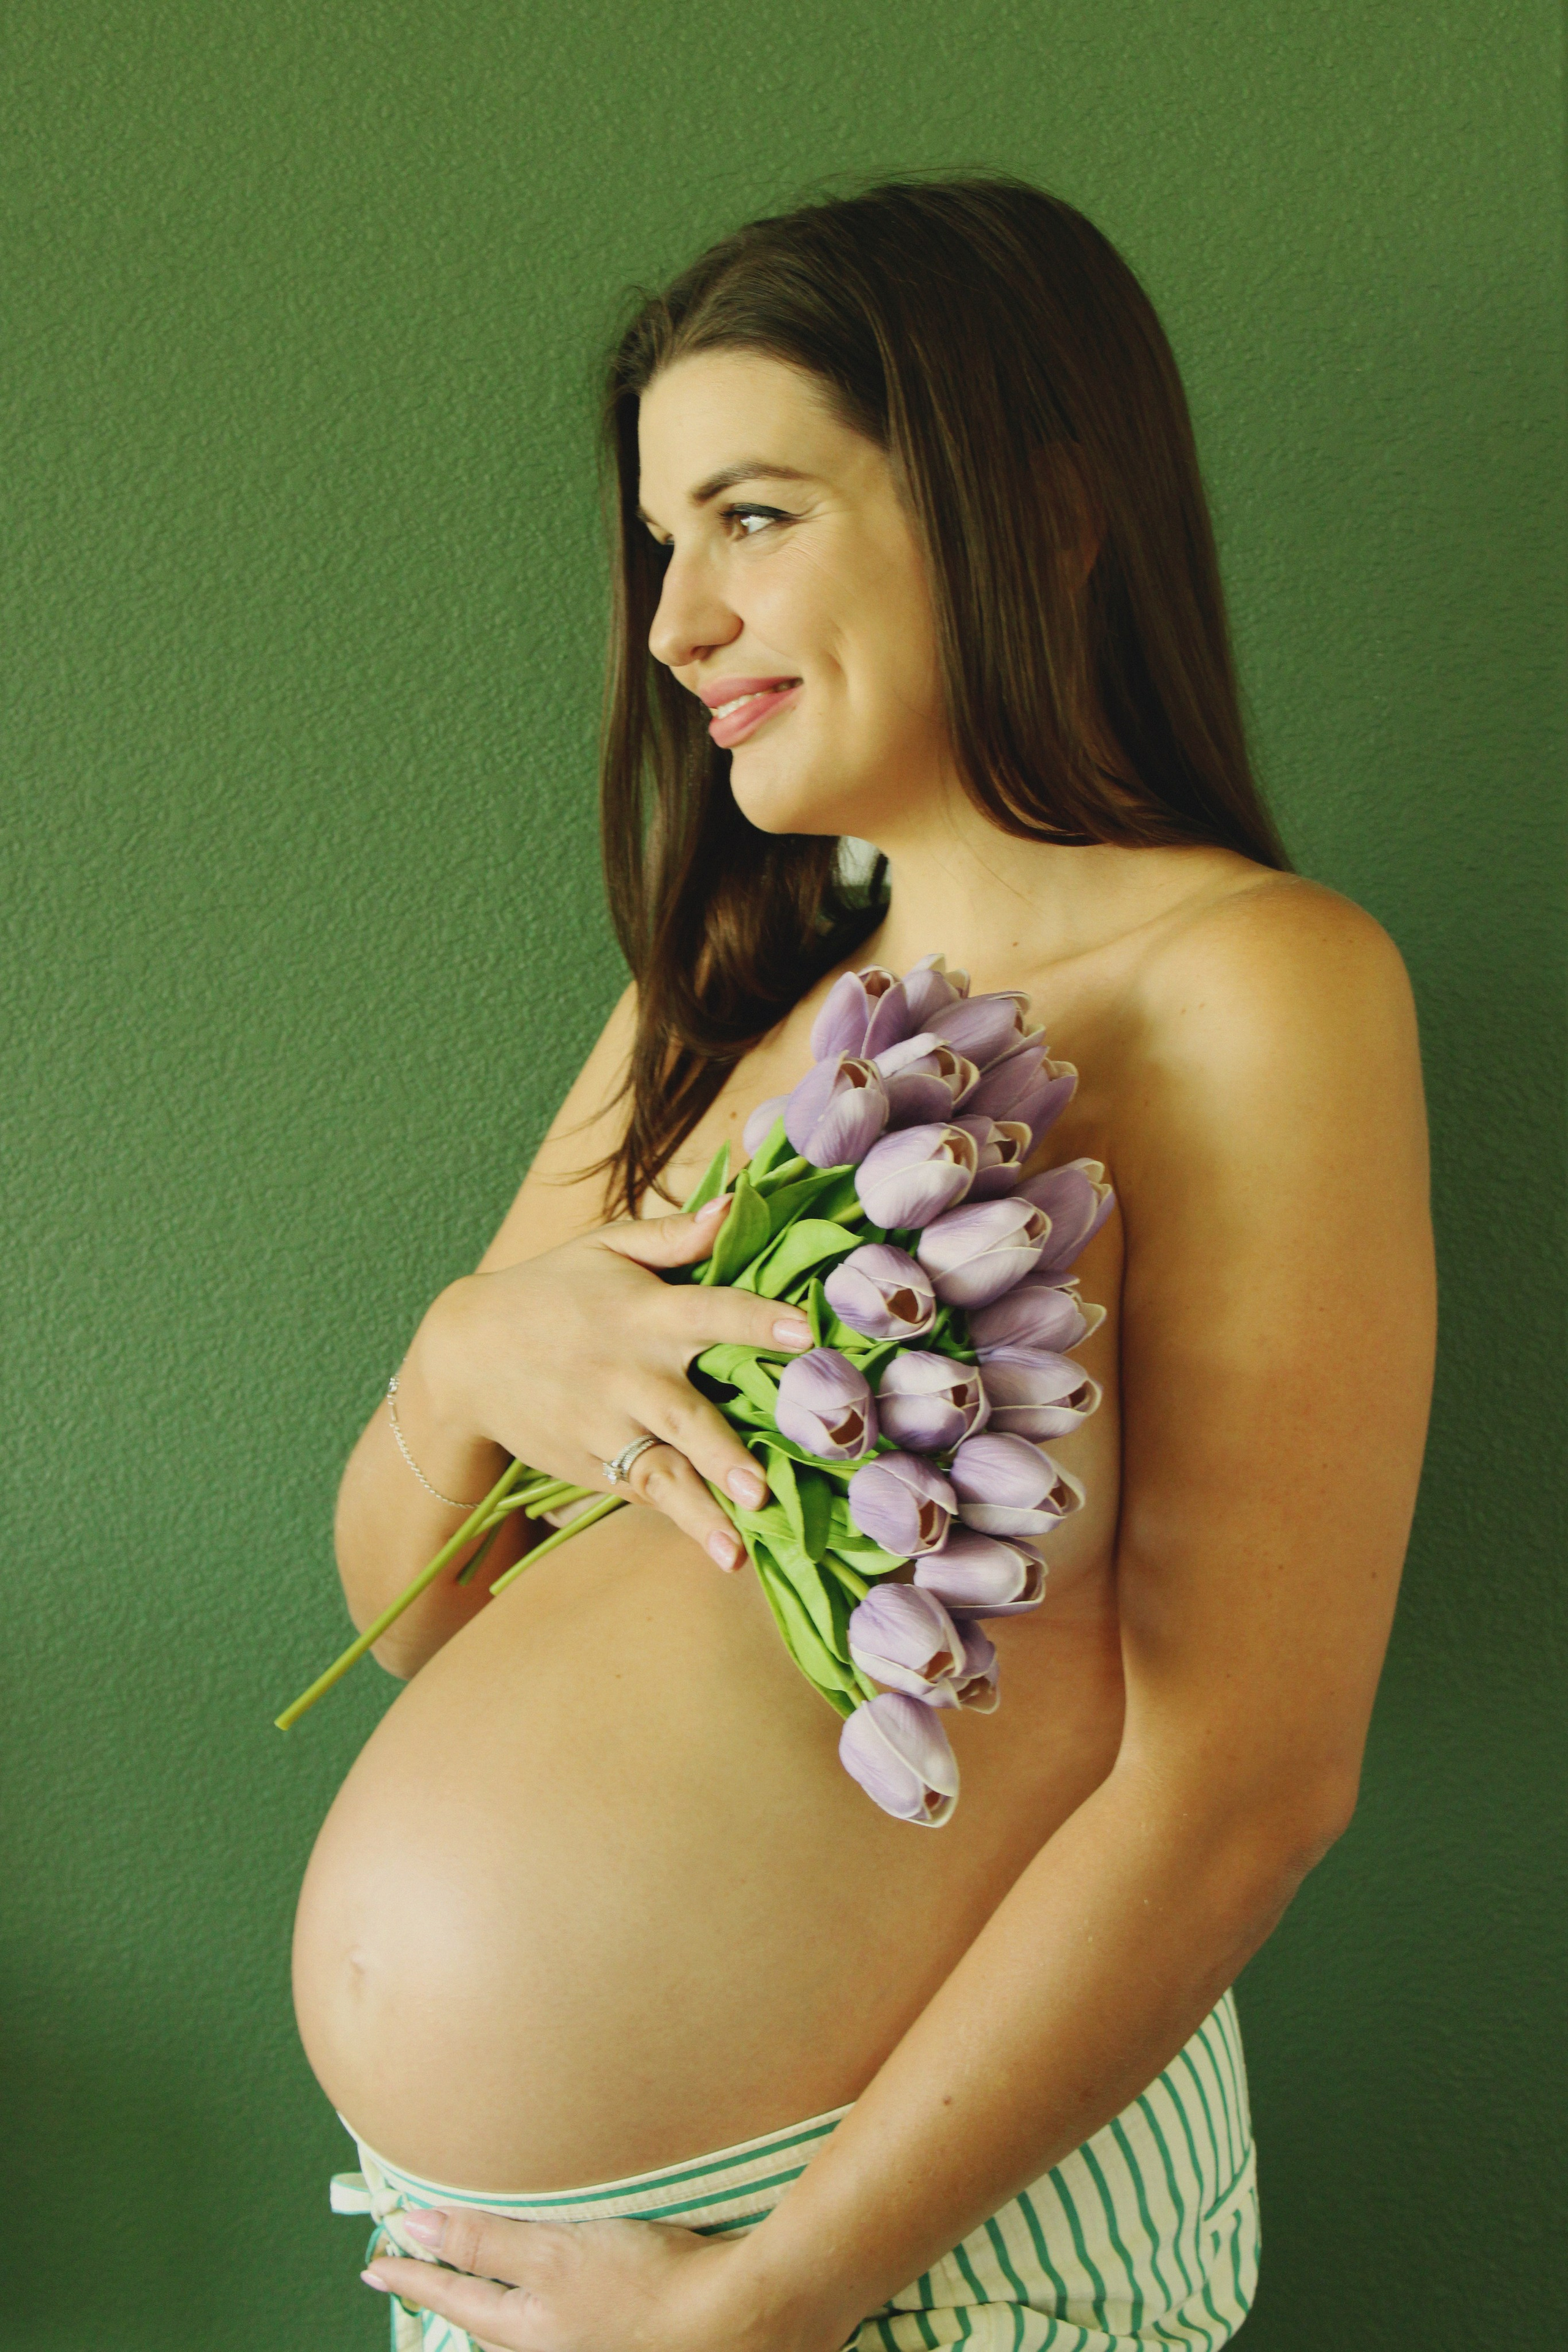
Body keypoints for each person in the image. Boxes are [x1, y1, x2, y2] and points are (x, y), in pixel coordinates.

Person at [290, 176, 1434, 2352]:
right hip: (510, 2275)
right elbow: (429, 1620)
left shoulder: (1255, 989)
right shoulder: (709, 1009)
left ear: (1040, 508)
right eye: (659, 547)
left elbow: (1248, 1783)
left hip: (875, 2253)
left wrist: (772, 2298)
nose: (672, 626)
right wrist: (457, 1368)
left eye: (751, 516)